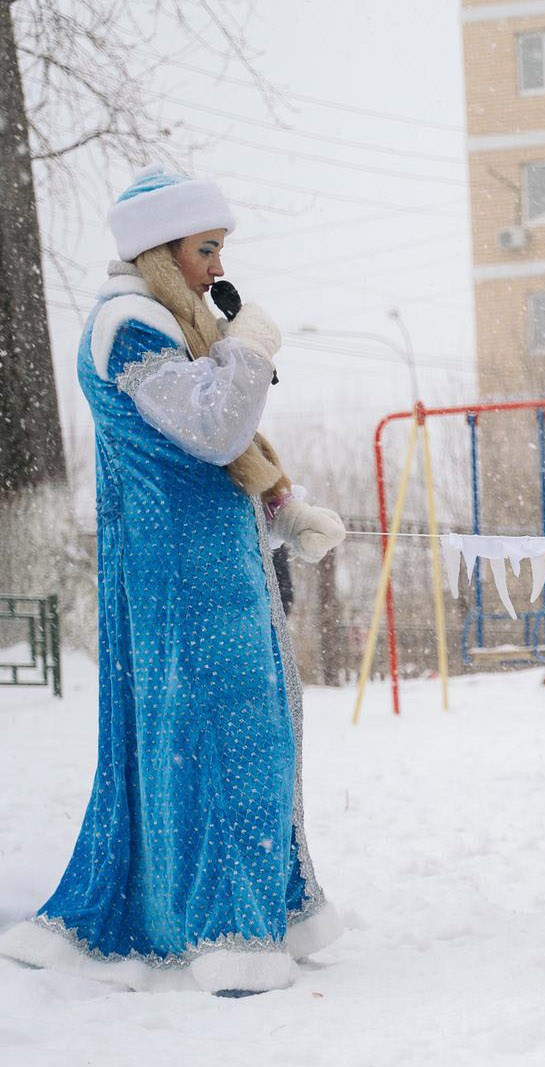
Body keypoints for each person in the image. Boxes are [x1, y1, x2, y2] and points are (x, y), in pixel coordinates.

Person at [0, 167, 344, 994]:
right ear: (159, 249)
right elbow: (217, 425)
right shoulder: (129, 324)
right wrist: (250, 345)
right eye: (205, 249)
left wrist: (282, 508)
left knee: (250, 741)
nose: (218, 268)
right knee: (219, 747)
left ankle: (248, 914)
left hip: (213, 570)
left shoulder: (168, 321)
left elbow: (213, 452)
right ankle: (223, 931)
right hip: (181, 585)